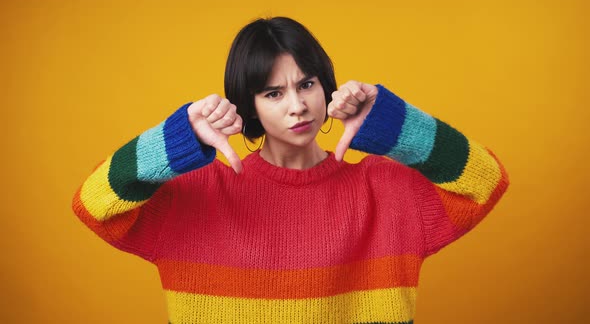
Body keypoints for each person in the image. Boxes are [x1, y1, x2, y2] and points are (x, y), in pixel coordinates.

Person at [72, 16, 509, 324]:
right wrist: (178, 136)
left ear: (326, 86)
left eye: (306, 84)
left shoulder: (385, 190)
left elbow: (486, 181)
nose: (297, 106)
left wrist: (394, 123)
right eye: (273, 92)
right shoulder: (199, 193)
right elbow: (93, 205)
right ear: (250, 106)